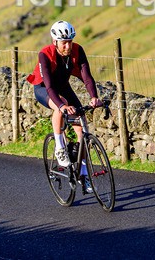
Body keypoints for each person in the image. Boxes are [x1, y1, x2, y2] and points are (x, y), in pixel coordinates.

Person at [27, 20, 102, 189]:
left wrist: (94, 97)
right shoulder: (45, 54)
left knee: (82, 130)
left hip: (63, 86)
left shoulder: (77, 50)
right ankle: (60, 147)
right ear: (55, 42)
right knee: (62, 106)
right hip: (44, 88)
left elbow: (86, 77)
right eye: (64, 43)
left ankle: (83, 175)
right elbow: (49, 85)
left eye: (70, 41)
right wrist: (61, 105)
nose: (68, 46)